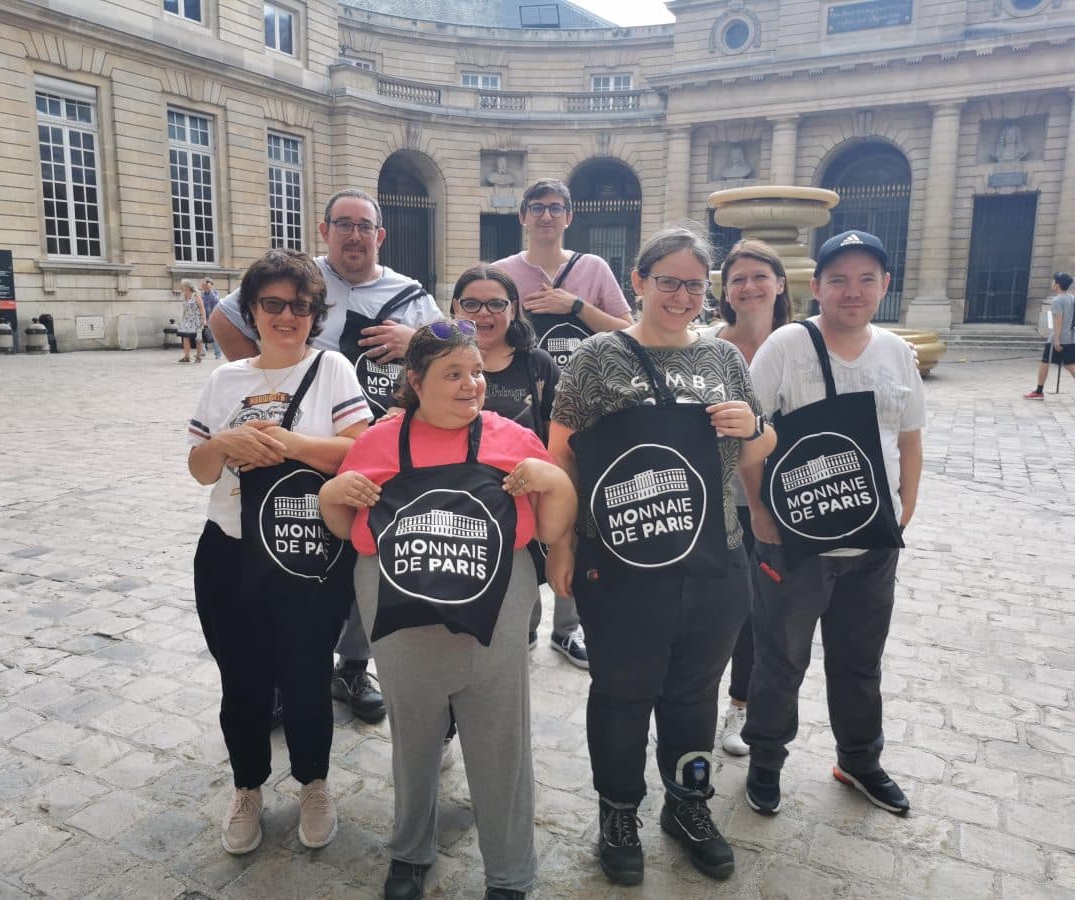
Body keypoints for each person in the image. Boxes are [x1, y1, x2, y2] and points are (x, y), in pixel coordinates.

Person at [548, 226, 776, 885]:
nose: (681, 295)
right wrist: (559, 545)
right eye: (668, 280)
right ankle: (618, 812)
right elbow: (559, 455)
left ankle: (688, 803)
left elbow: (760, 448)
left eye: (694, 285)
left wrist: (751, 428)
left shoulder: (725, 361)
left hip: (715, 558)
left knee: (694, 697)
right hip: (618, 565)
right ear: (639, 280)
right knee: (620, 693)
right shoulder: (596, 358)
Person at [319, 321, 577, 900]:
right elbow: (346, 528)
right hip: (397, 602)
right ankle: (410, 851)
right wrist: (331, 496)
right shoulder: (379, 441)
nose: (472, 385)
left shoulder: (512, 436)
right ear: (415, 381)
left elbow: (554, 525)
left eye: (477, 372)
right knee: (413, 730)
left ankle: (510, 872)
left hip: (498, 598)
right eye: (454, 374)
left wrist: (553, 482)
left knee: (500, 733)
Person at [209, 189, 443, 725]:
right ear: (325, 230)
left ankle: (352, 666)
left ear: (380, 236)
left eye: (365, 226)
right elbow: (224, 317)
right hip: (295, 453)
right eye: (344, 224)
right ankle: (279, 677)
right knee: (285, 560)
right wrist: (270, 379)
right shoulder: (299, 279)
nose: (355, 235)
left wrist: (417, 339)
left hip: (382, 448)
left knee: (366, 554)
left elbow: (456, 346)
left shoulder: (410, 293)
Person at [186, 250, 371, 855]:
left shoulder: (333, 369)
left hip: (304, 548)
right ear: (252, 309)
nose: (286, 315)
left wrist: (289, 443)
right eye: (273, 303)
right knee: (240, 677)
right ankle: (247, 787)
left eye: (300, 305)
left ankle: (314, 783)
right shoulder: (224, 380)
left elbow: (356, 452)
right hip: (229, 547)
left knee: (306, 674)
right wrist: (227, 442)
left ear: (314, 313)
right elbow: (198, 467)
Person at [740, 229, 925, 819]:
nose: (853, 291)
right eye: (839, 280)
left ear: (884, 286)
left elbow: (910, 436)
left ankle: (860, 760)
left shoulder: (896, 352)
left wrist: (907, 505)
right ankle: (766, 760)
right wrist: (761, 516)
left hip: (873, 545)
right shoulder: (787, 346)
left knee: (860, 659)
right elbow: (746, 436)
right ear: (816, 286)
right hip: (794, 544)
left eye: (866, 279)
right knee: (781, 658)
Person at [450, 264, 586, 667]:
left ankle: (567, 629)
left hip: (534, 485)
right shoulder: (444, 360)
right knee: (510, 569)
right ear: (455, 307)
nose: (483, 314)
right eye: (471, 303)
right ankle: (522, 628)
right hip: (474, 493)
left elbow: (560, 427)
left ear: (513, 309)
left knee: (559, 546)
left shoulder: (536, 363)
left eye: (496, 303)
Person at [701, 240, 793, 756]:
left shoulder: (804, 343)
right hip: (717, 498)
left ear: (780, 284)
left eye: (760, 275)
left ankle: (741, 706)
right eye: (738, 279)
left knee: (765, 612)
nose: (749, 286)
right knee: (719, 609)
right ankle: (694, 701)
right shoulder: (705, 343)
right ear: (725, 292)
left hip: (785, 500)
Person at [494, 179, 632, 372]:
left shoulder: (594, 267)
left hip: (586, 388)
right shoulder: (500, 273)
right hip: (523, 392)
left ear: (568, 218)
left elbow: (629, 333)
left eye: (555, 208)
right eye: (537, 208)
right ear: (523, 216)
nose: (547, 216)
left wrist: (577, 306)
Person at [1023, 271, 1075, 399]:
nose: (1051, 283)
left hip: (1060, 338)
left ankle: (1039, 391)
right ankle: (1039, 390)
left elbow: (1058, 320)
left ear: (1057, 285)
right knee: (1066, 364)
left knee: (1049, 362)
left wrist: (1056, 339)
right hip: (1071, 336)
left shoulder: (1057, 300)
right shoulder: (1072, 298)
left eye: (1053, 281)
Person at [177, 279, 206, 363]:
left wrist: (204, 319)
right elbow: (185, 309)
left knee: (198, 339)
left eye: (182, 286)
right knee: (185, 338)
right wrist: (182, 319)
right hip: (186, 320)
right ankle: (187, 357)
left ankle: (198, 357)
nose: (181, 287)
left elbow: (202, 308)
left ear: (187, 287)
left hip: (196, 320)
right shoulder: (185, 295)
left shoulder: (196, 295)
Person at [201, 277, 223, 359]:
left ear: (212, 286)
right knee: (202, 334)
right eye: (205, 287)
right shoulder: (202, 294)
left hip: (213, 318)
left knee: (214, 336)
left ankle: (218, 354)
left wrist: (210, 291)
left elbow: (216, 301)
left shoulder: (215, 293)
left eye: (208, 287)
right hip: (204, 317)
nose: (207, 288)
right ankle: (203, 351)